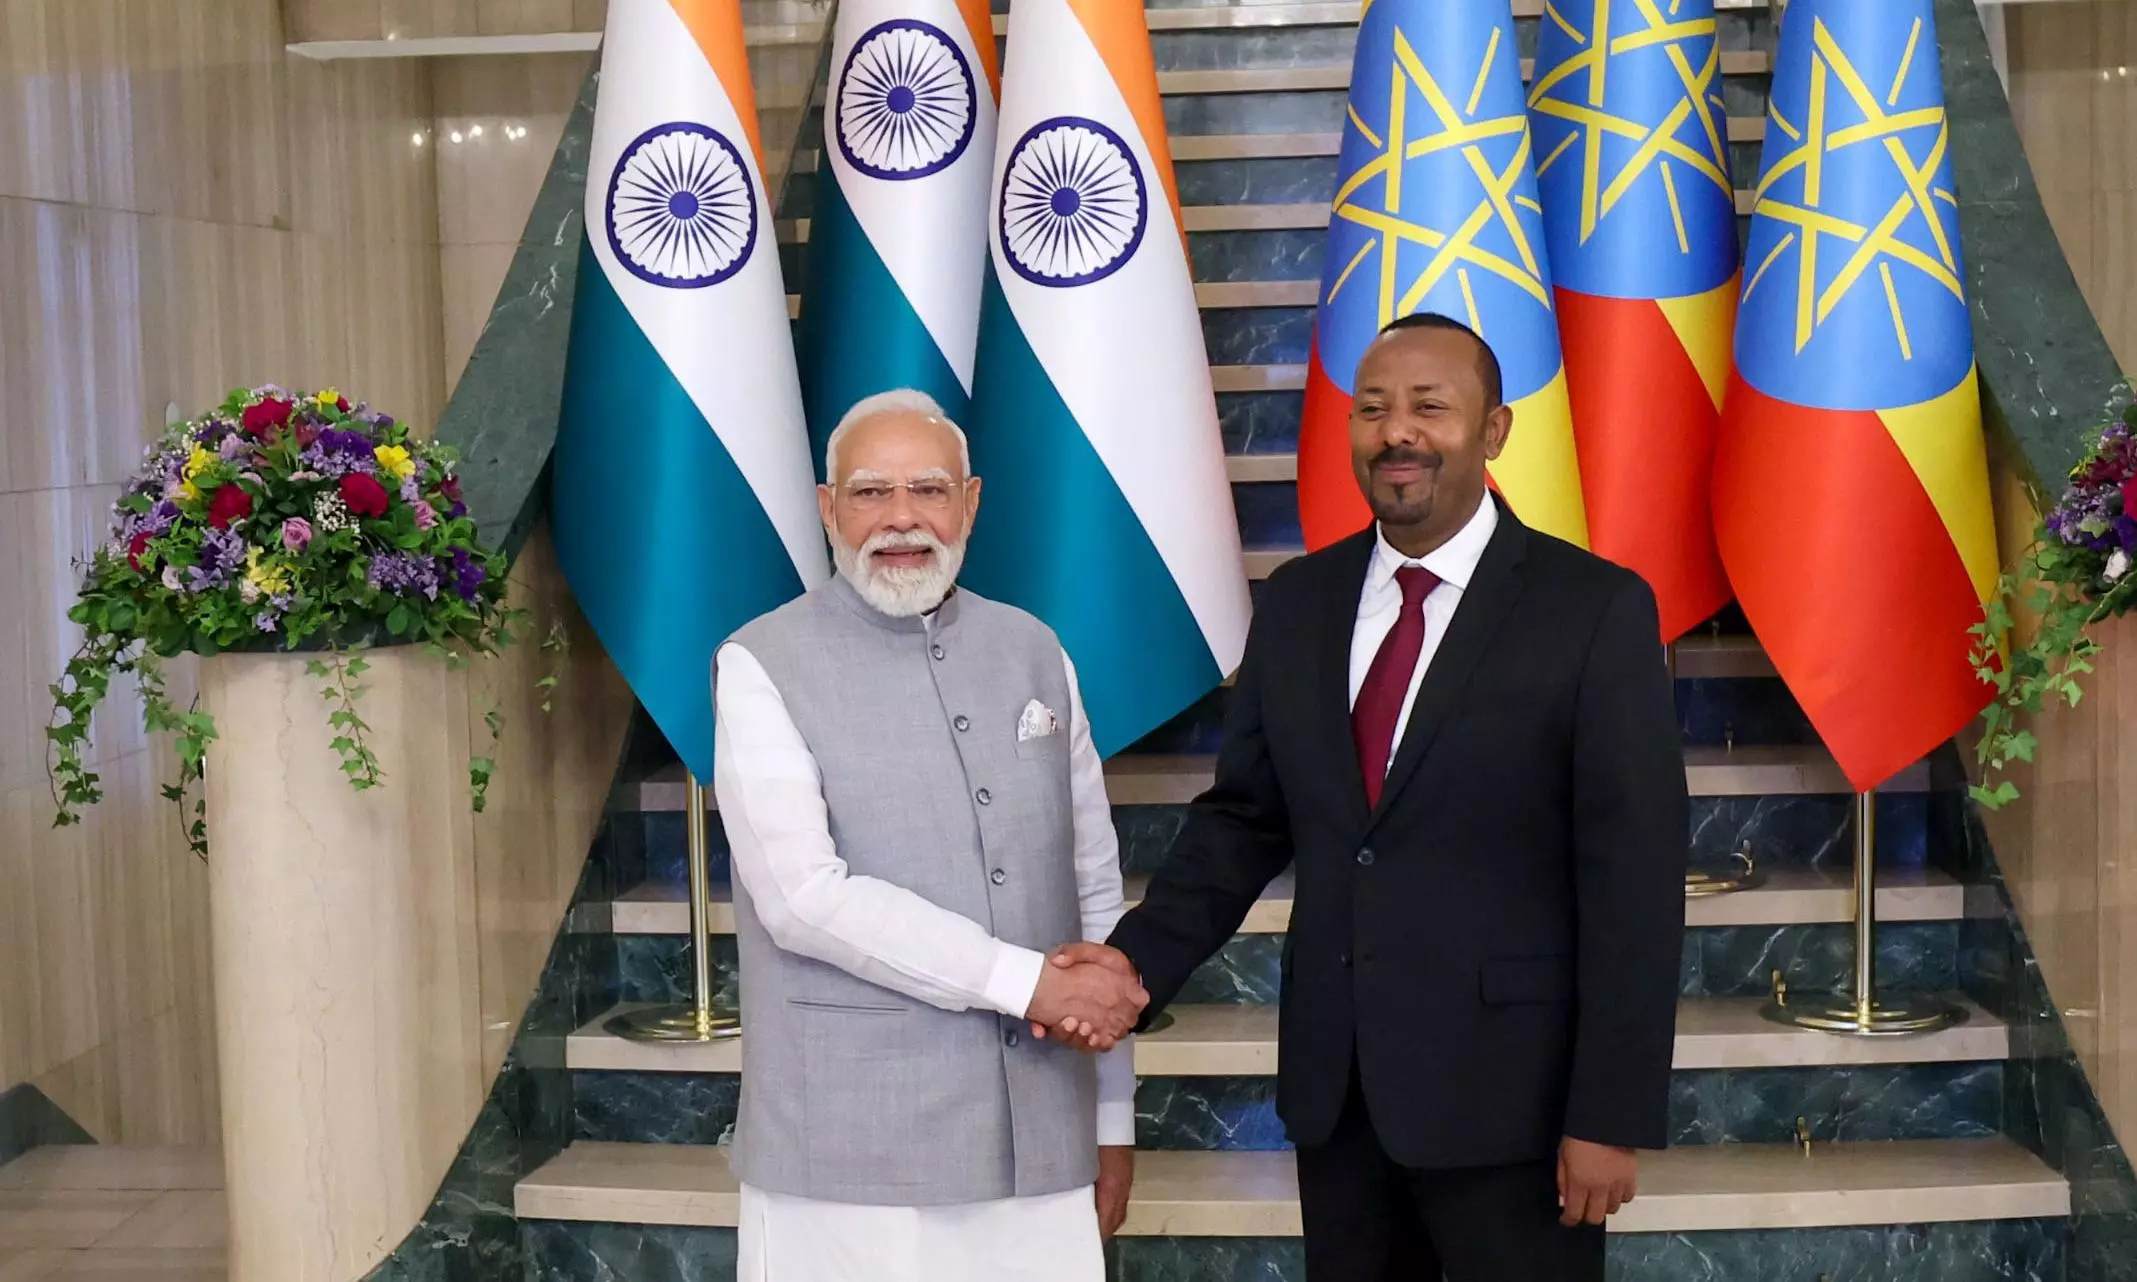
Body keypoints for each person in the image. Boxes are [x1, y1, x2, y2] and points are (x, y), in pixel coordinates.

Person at [1044, 314, 1688, 1280]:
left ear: (1494, 431)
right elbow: (1243, 822)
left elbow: (1634, 878)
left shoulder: (1593, 608)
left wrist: (1608, 1113)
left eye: (1430, 407)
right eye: (1373, 409)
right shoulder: (1299, 600)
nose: (1397, 433)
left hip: (1515, 1106)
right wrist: (1131, 967)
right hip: (1340, 1100)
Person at [712, 389, 1145, 1282]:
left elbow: (1091, 887)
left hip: (1042, 1140)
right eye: (871, 492)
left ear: (970, 503)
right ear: (828, 508)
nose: (901, 518)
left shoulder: (1034, 649)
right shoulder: (759, 662)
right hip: (845, 1154)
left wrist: (1111, 1119)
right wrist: (1026, 983)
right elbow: (802, 898)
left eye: (929, 490)